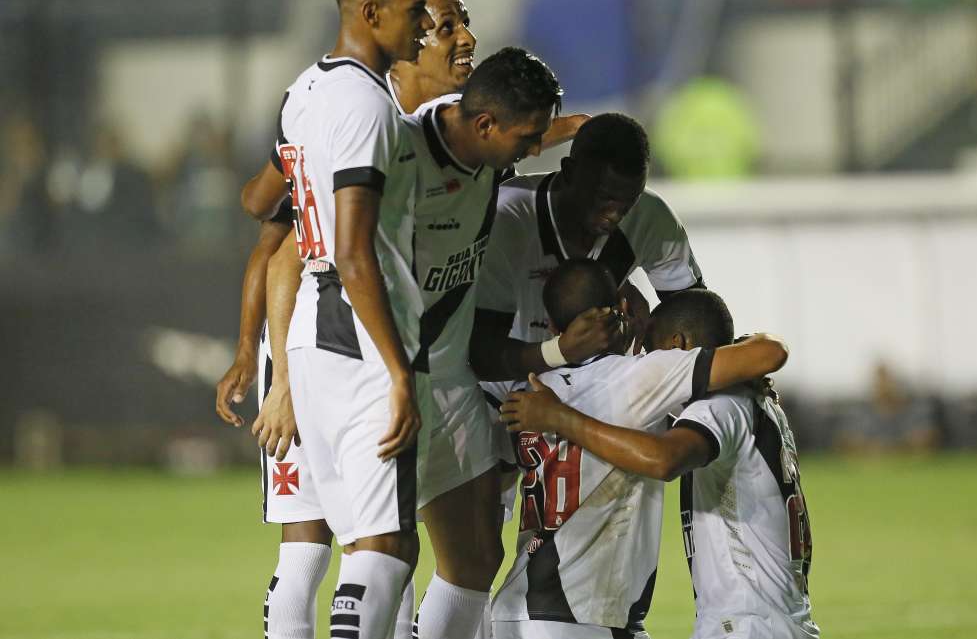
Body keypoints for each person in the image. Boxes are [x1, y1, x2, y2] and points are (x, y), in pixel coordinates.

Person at [261, 46, 565, 639]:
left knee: (476, 550)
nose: (532, 151)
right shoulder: (394, 155)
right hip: (374, 367)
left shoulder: (476, 133)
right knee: (382, 549)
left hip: (444, 374)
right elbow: (296, 253)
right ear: (486, 126)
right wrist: (284, 379)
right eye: (528, 138)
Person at [250, 0, 433, 639]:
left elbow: (265, 200)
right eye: (413, 11)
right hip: (356, 332)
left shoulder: (307, 89)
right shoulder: (363, 103)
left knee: (348, 538)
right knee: (382, 544)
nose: (421, 24)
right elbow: (356, 252)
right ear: (370, 10)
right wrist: (398, 371)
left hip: (308, 334)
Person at [498, 264, 818, 639]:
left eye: (651, 349)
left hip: (523, 604)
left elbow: (664, 457)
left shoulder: (529, 388)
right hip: (589, 613)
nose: (647, 356)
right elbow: (769, 351)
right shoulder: (727, 399)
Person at [470, 112, 704, 384]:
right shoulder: (507, 217)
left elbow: (697, 317)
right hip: (500, 395)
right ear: (569, 171)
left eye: (629, 201)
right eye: (604, 198)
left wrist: (656, 336)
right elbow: (481, 356)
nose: (615, 215)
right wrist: (562, 351)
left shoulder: (650, 216)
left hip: (594, 391)